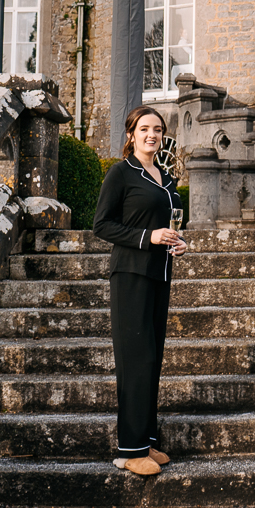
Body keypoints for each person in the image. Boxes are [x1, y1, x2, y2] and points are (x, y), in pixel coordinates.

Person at [93, 105, 186, 477]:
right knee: (134, 359)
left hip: (160, 273)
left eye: (158, 130)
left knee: (151, 357)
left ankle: (145, 441)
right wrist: (149, 237)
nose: (152, 135)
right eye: (145, 128)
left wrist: (180, 242)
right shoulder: (121, 173)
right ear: (131, 134)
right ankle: (129, 450)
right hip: (130, 273)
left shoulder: (165, 177)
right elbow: (102, 225)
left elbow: (171, 224)